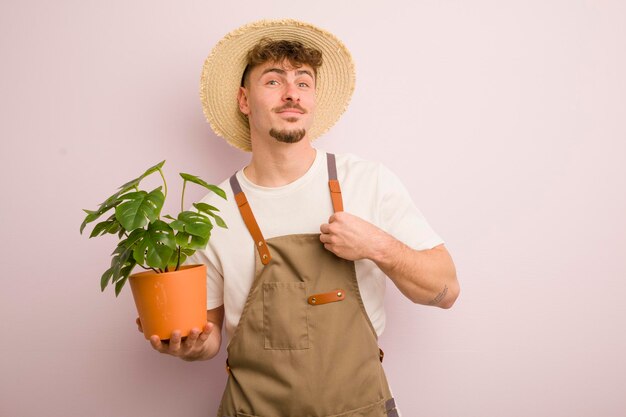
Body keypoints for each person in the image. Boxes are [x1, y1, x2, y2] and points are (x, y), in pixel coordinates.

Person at [137, 19, 459, 416]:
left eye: (303, 82)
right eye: (273, 81)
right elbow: (208, 339)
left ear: (313, 98)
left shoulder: (368, 182)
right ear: (243, 100)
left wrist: (378, 246)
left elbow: (446, 290)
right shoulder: (211, 212)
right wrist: (188, 346)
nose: (292, 94)